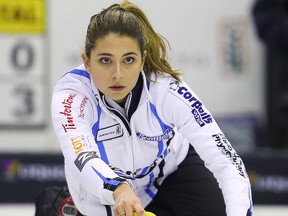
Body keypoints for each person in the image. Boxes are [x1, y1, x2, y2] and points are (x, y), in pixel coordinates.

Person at [51, 1, 253, 215]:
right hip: (104, 192)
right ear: (87, 62)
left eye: (128, 60)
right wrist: (118, 189)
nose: (117, 74)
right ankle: (57, 204)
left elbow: (226, 161)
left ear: (143, 59)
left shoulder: (167, 89)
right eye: (105, 60)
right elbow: (81, 156)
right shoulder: (71, 94)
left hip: (169, 175)